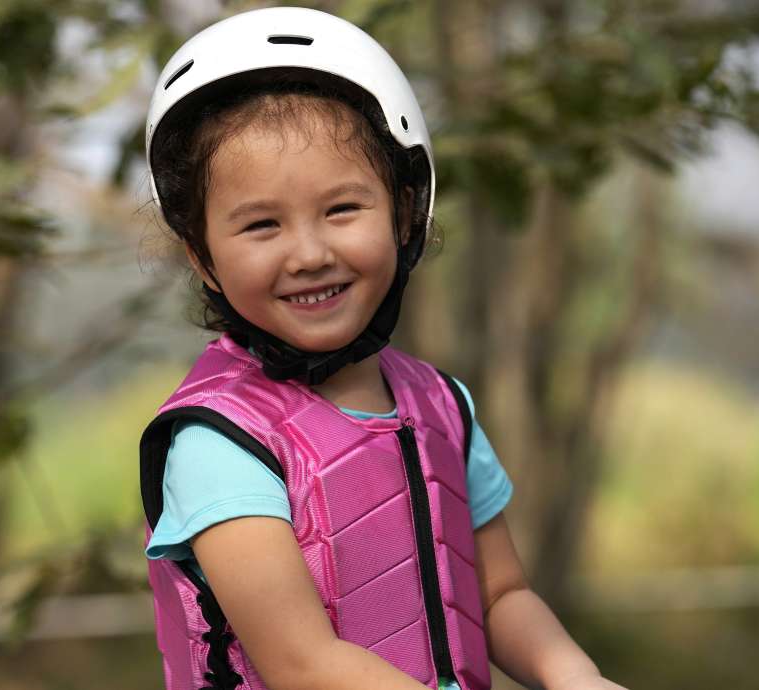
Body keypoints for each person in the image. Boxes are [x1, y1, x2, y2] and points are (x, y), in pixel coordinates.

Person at [138, 7, 629, 690]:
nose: (309, 254)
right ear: (203, 256)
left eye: (342, 209)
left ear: (404, 213)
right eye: (261, 225)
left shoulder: (442, 407)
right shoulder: (219, 443)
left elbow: (500, 595)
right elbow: (302, 664)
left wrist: (575, 676)